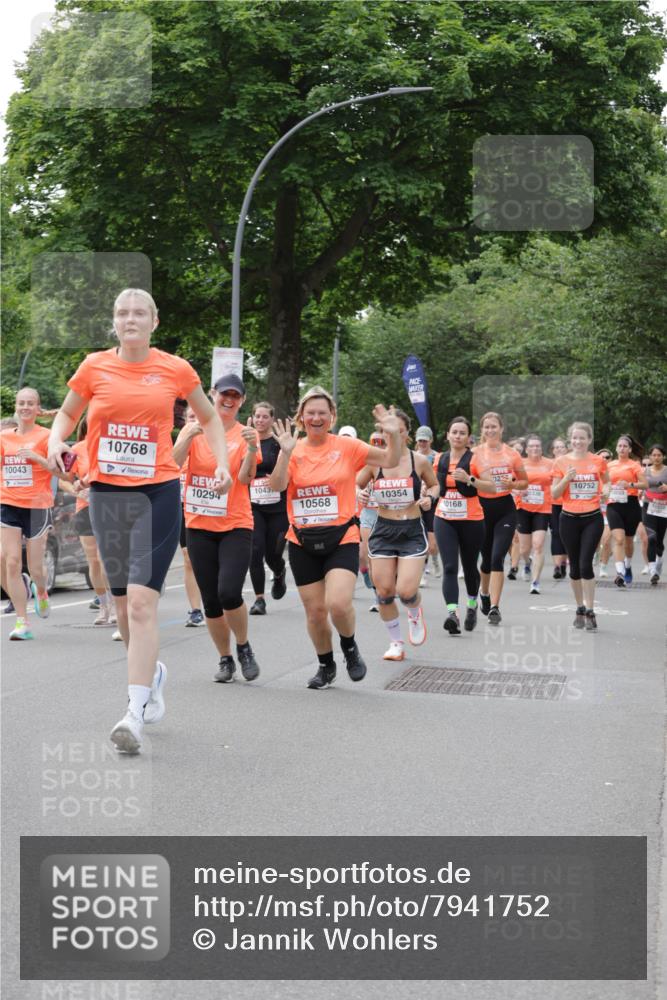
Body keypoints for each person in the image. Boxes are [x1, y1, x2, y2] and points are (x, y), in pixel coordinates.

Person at [48, 289, 231, 754]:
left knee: (145, 607)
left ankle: (134, 713)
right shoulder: (94, 367)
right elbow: (68, 414)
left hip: (158, 493)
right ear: (114, 322)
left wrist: (224, 463)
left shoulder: (175, 369)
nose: (130, 320)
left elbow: (209, 418)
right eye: (122, 313)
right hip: (107, 495)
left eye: (139, 313)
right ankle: (153, 676)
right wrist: (55, 442)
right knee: (126, 609)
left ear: (154, 321)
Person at [268, 387, 401, 689]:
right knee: (315, 613)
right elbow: (277, 486)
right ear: (301, 417)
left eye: (322, 413)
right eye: (310, 413)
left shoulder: (347, 446)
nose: (316, 418)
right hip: (302, 540)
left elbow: (390, 460)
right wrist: (285, 453)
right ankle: (325, 665)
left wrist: (394, 434)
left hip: (342, 536)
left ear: (332, 417)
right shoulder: (293, 448)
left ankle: (350, 647)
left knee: (338, 604)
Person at [174, 373, 261, 683]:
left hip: (235, 524)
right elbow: (172, 466)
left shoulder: (245, 434)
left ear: (242, 401)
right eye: (224, 393)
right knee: (210, 599)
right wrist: (187, 437)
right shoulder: (192, 429)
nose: (229, 399)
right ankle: (225, 658)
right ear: (211, 394)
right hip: (199, 524)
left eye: (235, 396)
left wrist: (252, 450)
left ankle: (243, 646)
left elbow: (245, 479)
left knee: (228, 592)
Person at [357, 410, 439, 661]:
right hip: (383, 530)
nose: (392, 434)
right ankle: (396, 643)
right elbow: (356, 483)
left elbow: (435, 485)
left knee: (405, 591)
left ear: (407, 434)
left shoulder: (419, 461)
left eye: (398, 430)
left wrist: (429, 498)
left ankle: (414, 613)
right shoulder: (374, 462)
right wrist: (359, 494)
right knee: (383, 592)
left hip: (412, 530)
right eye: (387, 430)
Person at [1, 387, 58, 640]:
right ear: (16, 406)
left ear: (38, 408)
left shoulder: (47, 436)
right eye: (21, 403)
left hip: (37, 506)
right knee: (11, 561)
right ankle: (22, 622)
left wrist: (38, 458)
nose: (25, 407)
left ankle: (42, 591)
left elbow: (62, 473)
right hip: (8, 503)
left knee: (36, 568)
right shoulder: (4, 437)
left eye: (30, 403)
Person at [433, 417, 496, 635]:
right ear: (448, 435)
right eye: (454, 432)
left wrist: (470, 479)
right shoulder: (440, 459)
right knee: (449, 567)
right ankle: (453, 614)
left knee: (469, 567)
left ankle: (471, 604)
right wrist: (427, 493)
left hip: (471, 520)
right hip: (445, 517)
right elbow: (432, 485)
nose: (458, 436)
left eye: (462, 433)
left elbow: (492, 487)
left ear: (468, 437)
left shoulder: (477, 460)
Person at [551, 422, 609, 631]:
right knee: (574, 567)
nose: (578, 441)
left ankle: (591, 609)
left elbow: (607, 482)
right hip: (568, 519)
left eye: (582, 438)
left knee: (585, 564)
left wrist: (607, 491)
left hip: (592, 518)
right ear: (570, 440)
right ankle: (579, 607)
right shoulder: (561, 462)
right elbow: (555, 494)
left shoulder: (598, 461)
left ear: (589, 440)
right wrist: (567, 478)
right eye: (574, 438)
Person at [474, 412, 528, 625]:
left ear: (501, 428)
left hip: (505, 508)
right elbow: (467, 481)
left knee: (497, 557)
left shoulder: (512, 454)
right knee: (486, 560)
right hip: (481, 509)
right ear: (482, 430)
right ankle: (484, 594)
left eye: (493, 426)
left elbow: (525, 482)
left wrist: (513, 484)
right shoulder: (475, 453)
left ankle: (495, 607)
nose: (490, 430)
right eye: (486, 427)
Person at [69, 418, 117, 625]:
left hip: (109, 507)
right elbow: (63, 476)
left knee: (106, 557)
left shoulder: (112, 445)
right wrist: (75, 488)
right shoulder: (76, 449)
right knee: (93, 560)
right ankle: (103, 606)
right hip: (85, 507)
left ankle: (116, 604)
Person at [247, 401, 289, 616]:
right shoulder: (247, 441)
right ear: (252, 418)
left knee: (273, 555)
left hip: (279, 507)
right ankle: (259, 599)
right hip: (253, 506)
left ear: (272, 420)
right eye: (257, 416)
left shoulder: (278, 443)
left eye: (265, 416)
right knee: (255, 551)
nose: (261, 420)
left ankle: (279, 571)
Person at [605, 435, 647, 587]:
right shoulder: (609, 465)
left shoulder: (634, 465)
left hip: (631, 505)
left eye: (625, 446)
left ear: (629, 449)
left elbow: (645, 484)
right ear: (616, 448)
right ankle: (620, 572)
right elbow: (603, 484)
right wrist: (605, 489)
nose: (622, 448)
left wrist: (629, 484)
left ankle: (628, 566)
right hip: (614, 504)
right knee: (619, 539)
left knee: (629, 541)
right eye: (619, 446)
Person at [515, 434, 553, 595]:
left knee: (538, 545)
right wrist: (517, 490)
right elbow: (510, 483)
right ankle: (527, 563)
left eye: (537, 446)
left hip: (543, 509)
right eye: (532, 446)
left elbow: (557, 482)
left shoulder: (550, 464)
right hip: (523, 508)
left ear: (541, 448)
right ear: (526, 449)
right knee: (524, 548)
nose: (535, 448)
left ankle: (535, 582)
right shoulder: (520, 464)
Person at [357, 431, 385, 612]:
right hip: (368, 514)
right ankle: (378, 596)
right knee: (367, 555)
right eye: (374, 442)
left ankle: (387, 587)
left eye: (381, 442)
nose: (377, 445)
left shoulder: (394, 463)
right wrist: (360, 493)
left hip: (389, 516)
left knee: (386, 559)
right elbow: (354, 483)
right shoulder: (364, 462)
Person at [414, 425, 441, 583]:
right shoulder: (411, 457)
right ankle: (422, 573)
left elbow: (439, 481)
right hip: (416, 502)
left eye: (425, 440)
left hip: (432, 502)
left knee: (432, 544)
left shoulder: (437, 457)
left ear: (430, 440)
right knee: (420, 540)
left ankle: (435, 559)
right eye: (420, 440)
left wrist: (429, 490)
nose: (422, 443)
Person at [643, 443, 667, 585]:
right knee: (651, 538)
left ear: (663, 456)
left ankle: (659, 561)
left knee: (659, 541)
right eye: (654, 455)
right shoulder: (644, 471)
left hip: (664, 508)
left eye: (659, 455)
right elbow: (639, 484)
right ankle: (653, 570)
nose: (656, 457)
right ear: (650, 457)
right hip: (648, 506)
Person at [550, 437, 569, 579]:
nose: (559, 449)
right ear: (553, 451)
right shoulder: (549, 464)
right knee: (556, 533)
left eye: (561, 447)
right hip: (553, 504)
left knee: (566, 534)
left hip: (569, 504)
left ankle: (564, 563)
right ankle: (557, 566)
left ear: (566, 449)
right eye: (556, 447)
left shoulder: (571, 463)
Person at [594, 448, 613, 577]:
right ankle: (595, 553)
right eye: (602, 457)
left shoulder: (616, 472)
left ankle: (603, 567)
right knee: (595, 541)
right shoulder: (592, 473)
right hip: (594, 511)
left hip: (610, 511)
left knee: (606, 540)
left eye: (607, 457)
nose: (604, 459)